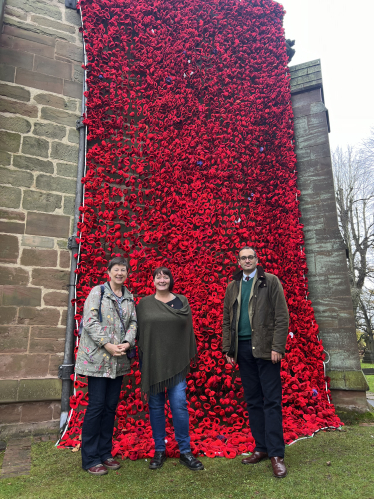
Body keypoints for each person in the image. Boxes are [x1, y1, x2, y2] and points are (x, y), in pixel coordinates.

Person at [222, 246, 289, 478]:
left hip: (265, 350)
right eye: (243, 258)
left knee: (271, 401)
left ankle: (276, 454)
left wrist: (277, 347)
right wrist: (228, 348)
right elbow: (226, 319)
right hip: (242, 351)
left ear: (257, 260)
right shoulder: (233, 286)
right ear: (238, 262)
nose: (247, 260)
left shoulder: (270, 281)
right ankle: (261, 448)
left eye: (251, 257)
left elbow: (282, 315)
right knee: (253, 401)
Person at [136, 267, 204, 471]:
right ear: (153, 281)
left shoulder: (181, 301)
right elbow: (137, 329)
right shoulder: (145, 304)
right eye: (158, 276)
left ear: (171, 280)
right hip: (153, 362)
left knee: (179, 405)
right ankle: (159, 450)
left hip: (176, 363)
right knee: (155, 407)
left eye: (165, 276)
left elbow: (187, 328)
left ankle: (185, 452)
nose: (162, 279)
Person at [75, 256, 137, 476]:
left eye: (124, 270)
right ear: (109, 272)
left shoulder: (129, 298)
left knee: (110, 408)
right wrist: (108, 345)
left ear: (127, 273)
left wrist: (128, 343)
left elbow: (133, 323)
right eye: (116, 270)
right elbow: (89, 322)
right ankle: (90, 458)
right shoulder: (97, 293)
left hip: (118, 361)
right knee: (96, 407)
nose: (120, 273)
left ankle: (104, 453)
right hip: (98, 360)